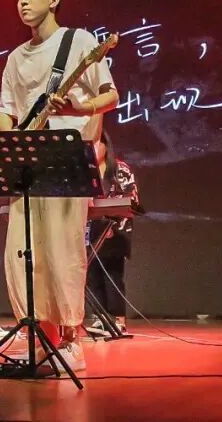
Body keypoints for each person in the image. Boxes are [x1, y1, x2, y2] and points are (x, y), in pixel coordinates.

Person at [0, 0, 119, 372]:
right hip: (28, 163)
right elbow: (5, 110)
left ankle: (71, 341)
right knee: (22, 252)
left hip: (67, 159)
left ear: (53, 0)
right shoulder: (15, 57)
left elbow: (111, 95)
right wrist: (11, 142)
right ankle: (38, 337)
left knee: (63, 250)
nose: (22, 0)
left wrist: (79, 108)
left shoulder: (78, 41)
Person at [85, 130, 143, 335]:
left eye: (96, 144)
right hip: (89, 230)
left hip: (114, 230)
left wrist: (112, 219)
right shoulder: (85, 171)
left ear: (105, 145)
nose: (92, 150)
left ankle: (118, 320)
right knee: (92, 276)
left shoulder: (120, 169)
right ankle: (100, 319)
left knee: (112, 275)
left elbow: (131, 199)